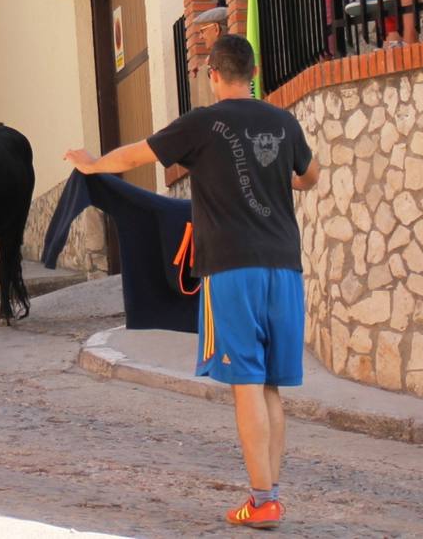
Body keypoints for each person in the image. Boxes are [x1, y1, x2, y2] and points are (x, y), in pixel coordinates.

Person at [63, 35, 319, 529]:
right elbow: (311, 176)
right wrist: (277, 179)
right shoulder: (282, 121)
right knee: (271, 387)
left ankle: (262, 499)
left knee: (245, 381)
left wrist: (92, 163)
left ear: (212, 75)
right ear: (255, 71)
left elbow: (136, 155)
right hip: (285, 268)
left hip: (231, 269)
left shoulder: (203, 124)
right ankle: (271, 492)